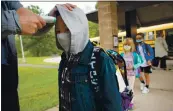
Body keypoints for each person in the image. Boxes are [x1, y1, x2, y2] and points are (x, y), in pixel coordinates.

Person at [1, 1, 76, 111]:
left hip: (8, 75)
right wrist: (11, 21)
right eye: (58, 31)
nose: (61, 35)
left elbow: (31, 21)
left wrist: (50, 17)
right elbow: (18, 21)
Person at [55, 5, 122, 111]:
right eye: (58, 31)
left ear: (80, 29)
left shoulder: (100, 59)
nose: (61, 35)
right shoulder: (64, 60)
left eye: (67, 29)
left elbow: (113, 105)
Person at [120, 38, 143, 109]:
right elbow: (119, 64)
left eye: (128, 45)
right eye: (125, 45)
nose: (126, 46)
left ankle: (130, 103)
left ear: (131, 46)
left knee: (130, 89)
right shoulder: (121, 54)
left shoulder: (135, 55)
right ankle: (124, 102)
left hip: (132, 75)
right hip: (123, 75)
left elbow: (141, 62)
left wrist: (133, 66)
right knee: (123, 89)